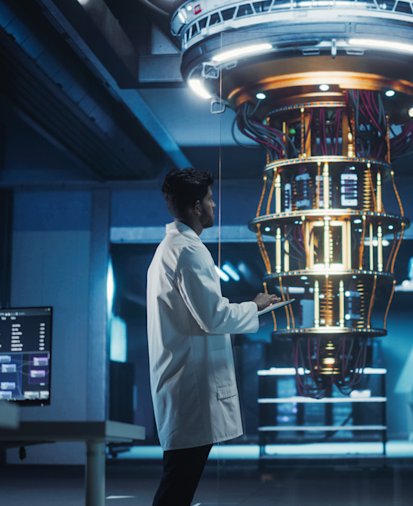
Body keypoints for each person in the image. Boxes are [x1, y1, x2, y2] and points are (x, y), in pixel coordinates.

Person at [146, 168, 279, 506]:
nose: (214, 205)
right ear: (195, 207)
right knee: (177, 487)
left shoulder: (169, 249)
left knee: (179, 483)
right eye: (209, 199)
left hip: (182, 386)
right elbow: (214, 316)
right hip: (191, 391)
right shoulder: (189, 252)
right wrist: (255, 305)